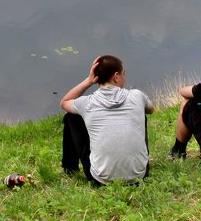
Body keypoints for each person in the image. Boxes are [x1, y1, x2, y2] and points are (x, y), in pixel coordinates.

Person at [60, 55, 154, 185]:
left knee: (71, 117)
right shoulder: (137, 96)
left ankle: (69, 168)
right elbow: (151, 109)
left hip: (101, 180)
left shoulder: (87, 103)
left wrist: (88, 81)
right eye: (123, 74)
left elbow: (64, 102)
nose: (124, 77)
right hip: (139, 176)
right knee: (141, 113)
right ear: (116, 76)